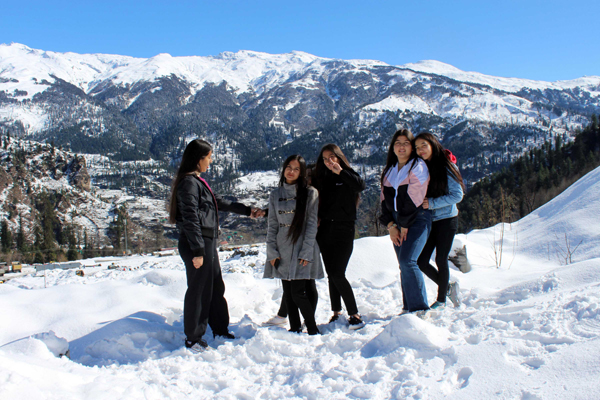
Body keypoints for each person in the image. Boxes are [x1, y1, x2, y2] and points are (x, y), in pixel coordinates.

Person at [168, 139, 263, 352]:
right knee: (199, 290)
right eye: (209, 157)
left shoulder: (197, 182)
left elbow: (217, 202)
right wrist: (198, 251)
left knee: (215, 287)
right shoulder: (189, 183)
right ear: (198, 159)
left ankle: (219, 328)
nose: (210, 162)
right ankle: (193, 338)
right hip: (198, 243)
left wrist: (248, 211)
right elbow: (191, 217)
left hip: (206, 242)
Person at [264, 155, 324, 335]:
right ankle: (295, 327)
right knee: (288, 291)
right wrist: (271, 251)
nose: (291, 171)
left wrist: (306, 252)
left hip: (302, 245)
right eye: (288, 167)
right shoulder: (275, 194)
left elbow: (312, 224)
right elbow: (272, 225)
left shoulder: (310, 192)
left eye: (296, 169)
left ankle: (312, 328)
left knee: (298, 291)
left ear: (302, 172)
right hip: (282, 246)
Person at [312, 144, 366, 329]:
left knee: (337, 273)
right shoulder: (322, 178)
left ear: (339, 157)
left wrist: (340, 171)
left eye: (332, 157)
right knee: (331, 274)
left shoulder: (348, 174)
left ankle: (355, 314)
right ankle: (336, 312)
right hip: (325, 229)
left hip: (344, 229)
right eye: (325, 159)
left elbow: (360, 185)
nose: (329, 162)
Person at [379, 129, 431, 314]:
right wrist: (391, 225)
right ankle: (408, 306)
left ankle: (420, 308)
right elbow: (384, 200)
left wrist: (403, 224)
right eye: (397, 143)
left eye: (406, 143)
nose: (401, 146)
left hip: (415, 219)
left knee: (408, 261)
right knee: (403, 264)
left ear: (412, 147)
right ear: (393, 147)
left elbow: (414, 198)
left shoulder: (418, 166)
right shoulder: (390, 170)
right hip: (396, 222)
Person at [415, 132, 465, 309]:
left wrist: (433, 203)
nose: (420, 150)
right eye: (417, 147)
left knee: (441, 259)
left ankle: (442, 300)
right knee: (421, 260)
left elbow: (458, 195)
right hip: (430, 220)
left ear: (433, 145)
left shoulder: (446, 166)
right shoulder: (423, 167)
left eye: (424, 145)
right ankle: (448, 287)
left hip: (447, 220)